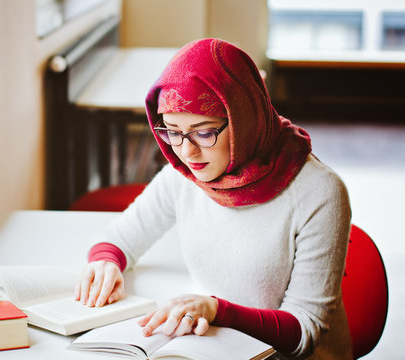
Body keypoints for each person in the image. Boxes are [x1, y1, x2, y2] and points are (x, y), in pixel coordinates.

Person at [74, 38, 352, 359]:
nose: (187, 152)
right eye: (172, 131)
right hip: (217, 344)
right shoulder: (187, 174)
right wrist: (106, 262)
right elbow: (118, 237)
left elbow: (304, 331)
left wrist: (218, 310)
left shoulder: (318, 191)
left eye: (203, 132)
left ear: (242, 119)